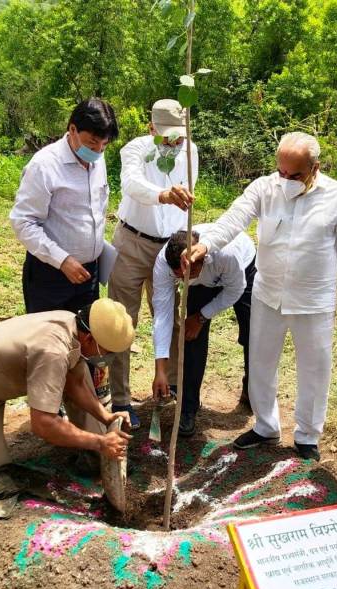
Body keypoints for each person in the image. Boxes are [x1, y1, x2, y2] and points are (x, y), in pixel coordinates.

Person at [186, 132, 337, 460]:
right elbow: (233, 219)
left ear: (315, 168)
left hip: (313, 299)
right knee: (261, 361)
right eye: (281, 172)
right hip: (268, 294)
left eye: (294, 175)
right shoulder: (265, 188)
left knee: (314, 368)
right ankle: (266, 425)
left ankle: (308, 435)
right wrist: (206, 243)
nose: (285, 180)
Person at [0, 299, 135, 482]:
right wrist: (100, 443)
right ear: (90, 339)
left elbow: (75, 384)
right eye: (107, 351)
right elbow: (43, 424)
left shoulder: (73, 326)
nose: (107, 357)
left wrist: (106, 417)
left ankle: (92, 448)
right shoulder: (53, 352)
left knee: (83, 398)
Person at [107, 99, 198, 428]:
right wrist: (163, 194)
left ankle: (170, 386)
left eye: (180, 137)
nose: (174, 143)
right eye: (167, 137)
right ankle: (121, 398)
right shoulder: (134, 149)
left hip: (168, 248)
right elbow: (131, 183)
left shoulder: (191, 152)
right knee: (121, 323)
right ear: (151, 130)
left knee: (170, 318)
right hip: (132, 243)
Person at [10, 97, 119, 315]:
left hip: (89, 273)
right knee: (48, 341)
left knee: (83, 338)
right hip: (51, 274)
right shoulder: (44, 165)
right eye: (92, 143)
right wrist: (63, 260)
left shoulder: (98, 158)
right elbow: (23, 222)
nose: (98, 151)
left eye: (104, 145)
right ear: (72, 129)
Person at [151, 226, 256, 436]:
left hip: (242, 269)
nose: (183, 280)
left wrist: (202, 316)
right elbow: (162, 315)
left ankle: (252, 390)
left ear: (201, 259)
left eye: (188, 274)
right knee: (191, 337)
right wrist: (160, 369)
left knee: (252, 334)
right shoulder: (164, 263)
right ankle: (188, 407)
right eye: (178, 276)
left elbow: (235, 289)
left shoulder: (227, 253)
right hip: (204, 283)